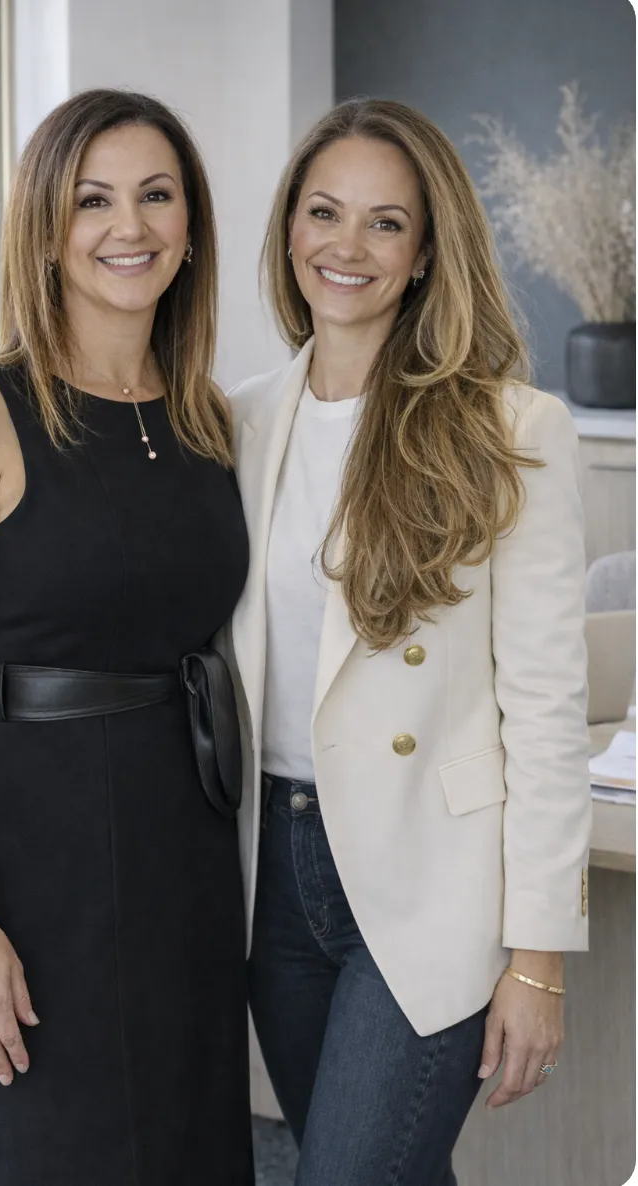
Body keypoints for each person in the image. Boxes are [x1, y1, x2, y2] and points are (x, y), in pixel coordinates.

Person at [0, 89, 253, 1186]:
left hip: (182, 843)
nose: (127, 226)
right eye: (93, 200)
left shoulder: (205, 416)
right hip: (27, 854)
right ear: (45, 229)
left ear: (190, 228)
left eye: (155, 196)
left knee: (183, 1141)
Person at [225, 98, 591, 1185]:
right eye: (324, 212)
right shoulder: (236, 421)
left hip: (433, 880)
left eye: (385, 223)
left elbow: (545, 709)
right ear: (288, 225)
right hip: (270, 870)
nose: (347, 246)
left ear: (426, 251)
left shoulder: (510, 430)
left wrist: (538, 959)